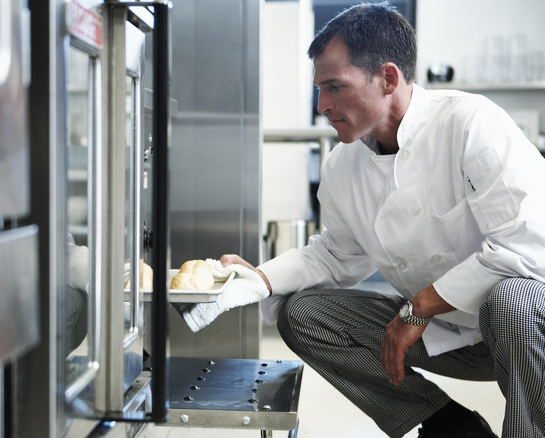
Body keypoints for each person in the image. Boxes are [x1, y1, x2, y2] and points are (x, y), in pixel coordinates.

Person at [223, 3, 545, 438]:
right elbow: (336, 255)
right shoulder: (343, 166)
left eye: (335, 87)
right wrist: (259, 279)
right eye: (319, 89)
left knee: (512, 303)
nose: (322, 106)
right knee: (302, 314)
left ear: (388, 78)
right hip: (442, 335)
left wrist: (419, 307)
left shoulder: (470, 123)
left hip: (524, 331)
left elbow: (525, 248)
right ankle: (447, 426)